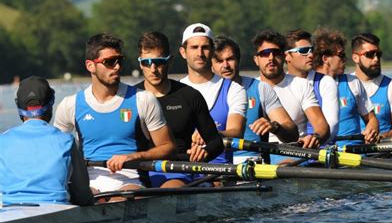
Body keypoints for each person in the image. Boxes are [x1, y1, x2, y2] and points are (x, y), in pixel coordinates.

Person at [54, 33, 177, 194]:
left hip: (132, 181)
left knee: (121, 196)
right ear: (90, 65)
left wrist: (134, 157)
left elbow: (169, 147)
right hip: (89, 184)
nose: (117, 67)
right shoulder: (70, 105)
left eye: (119, 60)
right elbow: (56, 153)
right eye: (110, 62)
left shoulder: (143, 100)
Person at [135, 31, 224, 187]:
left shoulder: (189, 96)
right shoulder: (129, 98)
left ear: (169, 61)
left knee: (170, 189)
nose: (153, 69)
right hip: (136, 170)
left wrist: (205, 152)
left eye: (159, 62)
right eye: (147, 62)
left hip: (176, 170)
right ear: (140, 63)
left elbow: (216, 142)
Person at [0, 76, 94, 206]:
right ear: (50, 106)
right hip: (56, 211)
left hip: (10, 210)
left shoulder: (3, 140)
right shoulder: (66, 140)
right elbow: (83, 195)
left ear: (19, 108)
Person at [212, 35, 299, 164]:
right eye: (219, 61)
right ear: (211, 65)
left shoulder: (260, 88)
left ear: (239, 60)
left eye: (230, 59)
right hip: (214, 163)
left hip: (252, 163)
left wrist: (275, 127)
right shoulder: (200, 92)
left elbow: (292, 134)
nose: (226, 65)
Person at [252, 29, 330, 164]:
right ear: (256, 59)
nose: (271, 58)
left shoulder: (301, 85)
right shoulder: (248, 89)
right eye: (264, 54)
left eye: (276, 53)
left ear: (283, 57)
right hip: (257, 154)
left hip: (294, 152)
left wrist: (315, 137)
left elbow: (321, 125)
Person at [179, 24, 247, 165]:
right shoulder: (173, 90)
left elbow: (236, 131)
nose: (200, 53)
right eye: (194, 47)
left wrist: (209, 134)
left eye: (205, 47)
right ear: (183, 52)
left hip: (218, 171)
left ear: (212, 51)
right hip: (183, 169)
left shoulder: (234, 89)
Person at [313, 28, 379, 146]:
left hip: (354, 154)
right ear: (325, 59)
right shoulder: (308, 84)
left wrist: (371, 130)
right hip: (320, 155)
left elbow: (372, 119)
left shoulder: (352, 82)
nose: (345, 59)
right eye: (341, 55)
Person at [285, 29, 339, 143]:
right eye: (304, 51)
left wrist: (312, 141)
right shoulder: (279, 85)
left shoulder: (325, 82)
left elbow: (332, 125)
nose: (310, 55)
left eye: (311, 50)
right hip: (290, 151)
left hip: (319, 151)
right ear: (287, 56)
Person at [351, 33, 392, 138]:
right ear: (355, 58)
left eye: (378, 54)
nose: (376, 59)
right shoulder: (344, 85)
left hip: (384, 151)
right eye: (370, 54)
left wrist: (383, 136)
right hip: (350, 149)